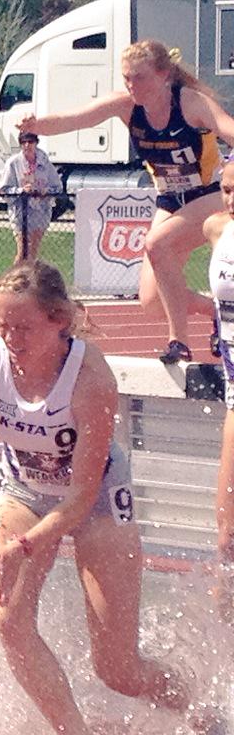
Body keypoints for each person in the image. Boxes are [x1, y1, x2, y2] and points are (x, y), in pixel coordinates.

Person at [0, 260, 194, 735]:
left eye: (23, 327)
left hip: (97, 497)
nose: (11, 339)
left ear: (58, 322)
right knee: (8, 620)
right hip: (23, 490)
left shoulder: (91, 379)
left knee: (117, 671)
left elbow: (81, 498)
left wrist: (27, 544)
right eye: (2, 325)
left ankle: (191, 703)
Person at [19, 40, 234, 364]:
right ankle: (221, 313)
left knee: (156, 243)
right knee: (150, 301)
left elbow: (228, 129)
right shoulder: (126, 105)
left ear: (163, 75)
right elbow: (74, 119)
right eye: (126, 79)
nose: (132, 86)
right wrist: (36, 124)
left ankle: (179, 342)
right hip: (169, 200)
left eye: (140, 78)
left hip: (208, 195)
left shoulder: (189, 103)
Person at [204, 160, 234, 613]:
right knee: (226, 537)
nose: (231, 198)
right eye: (226, 188)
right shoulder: (216, 228)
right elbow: (151, 292)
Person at [0, 132, 62, 266]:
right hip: (21, 212)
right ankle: (13, 281)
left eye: (31, 142)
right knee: (22, 251)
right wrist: (21, 191)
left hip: (41, 212)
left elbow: (57, 187)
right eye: (24, 142)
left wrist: (46, 191)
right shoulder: (13, 163)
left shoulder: (44, 162)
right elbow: (4, 189)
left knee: (33, 251)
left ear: (36, 143)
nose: (27, 145)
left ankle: (28, 282)